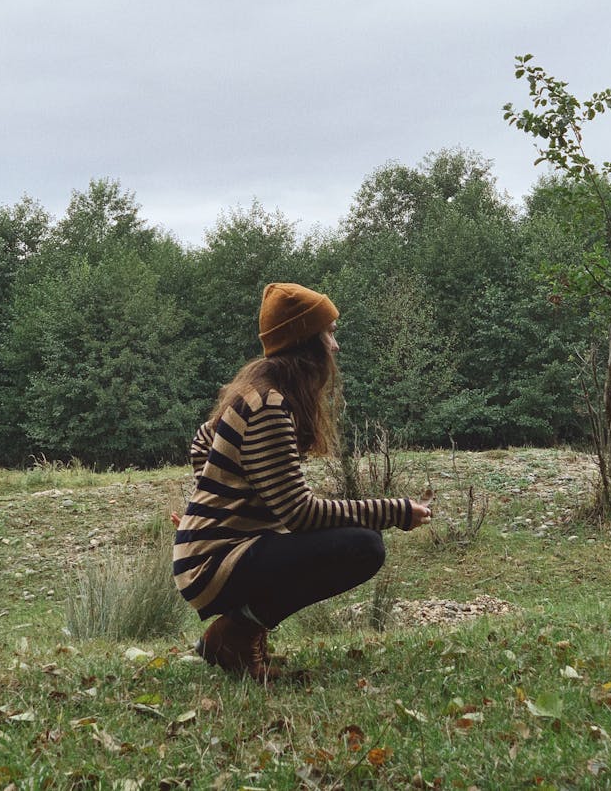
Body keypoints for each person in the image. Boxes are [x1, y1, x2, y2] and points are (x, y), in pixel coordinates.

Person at [172, 282, 432, 682]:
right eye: (329, 333)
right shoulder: (269, 405)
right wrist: (393, 511)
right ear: (306, 342)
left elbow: (203, 441)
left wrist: (214, 507)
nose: (335, 346)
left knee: (353, 541)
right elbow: (300, 513)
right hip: (214, 563)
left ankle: (239, 634)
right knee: (364, 546)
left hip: (208, 553)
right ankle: (235, 635)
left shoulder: (257, 392)